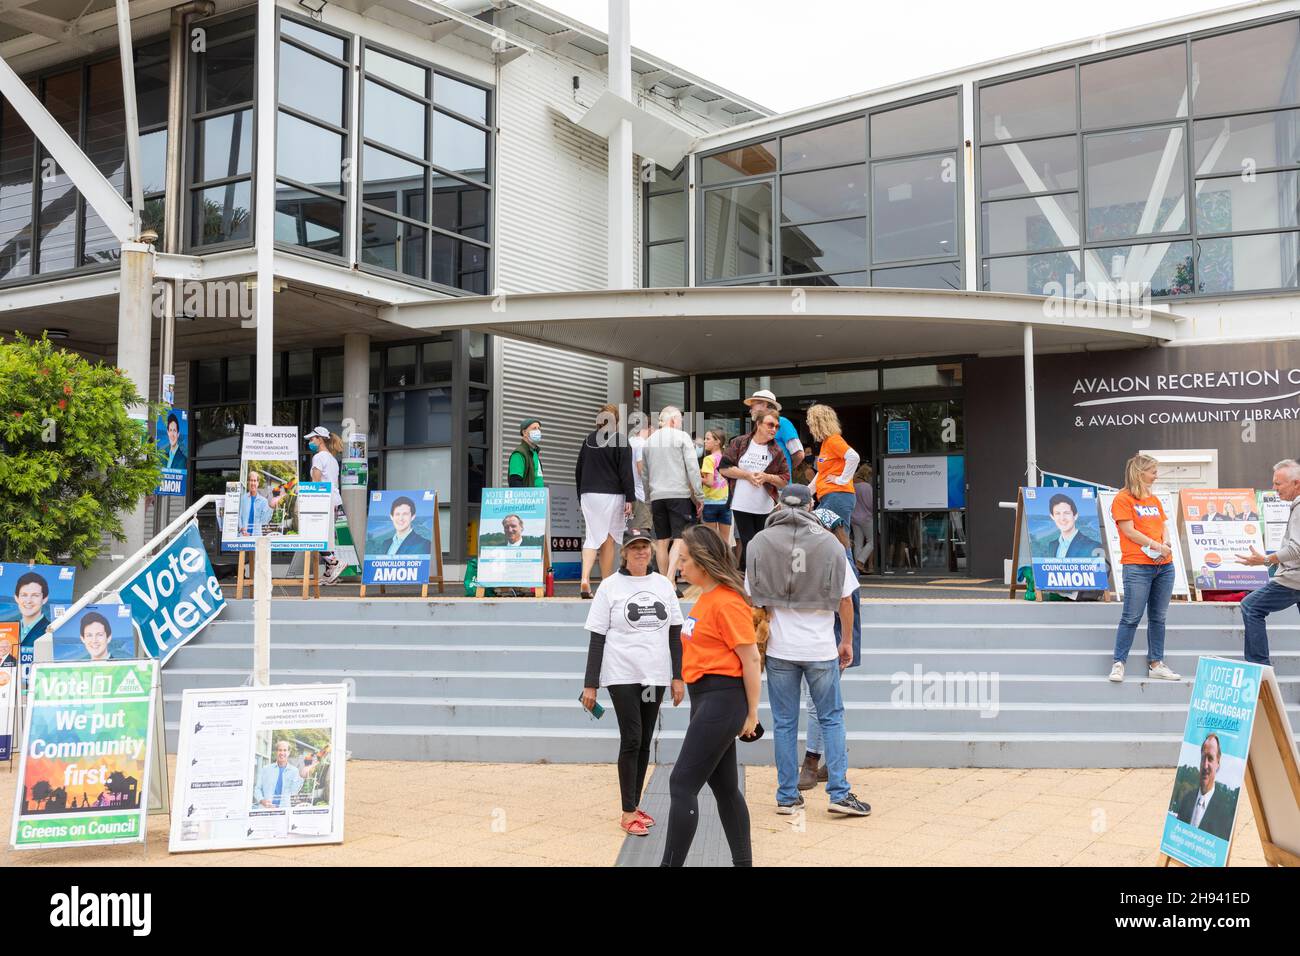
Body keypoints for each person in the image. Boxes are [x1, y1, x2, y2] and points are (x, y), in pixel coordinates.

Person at [748, 485, 870, 817]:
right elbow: (846, 600)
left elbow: (753, 599)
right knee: (832, 718)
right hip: (819, 646)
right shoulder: (830, 543)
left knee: (785, 722)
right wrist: (846, 641)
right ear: (811, 504)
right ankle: (839, 793)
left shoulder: (759, 543)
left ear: (779, 504)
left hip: (779, 648)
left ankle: (787, 795)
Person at [660, 525, 761, 867]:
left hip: (723, 699)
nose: (680, 566)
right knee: (725, 788)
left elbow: (752, 658)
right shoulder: (706, 597)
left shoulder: (728, 603)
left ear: (703, 563)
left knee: (681, 784)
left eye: (685, 560)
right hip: (706, 699)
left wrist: (752, 714)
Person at [581, 528, 685, 836]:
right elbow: (597, 637)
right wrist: (591, 683)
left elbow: (675, 635)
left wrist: (678, 676)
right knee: (631, 737)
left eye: (645, 547)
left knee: (644, 740)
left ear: (652, 551)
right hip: (622, 674)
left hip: (654, 675)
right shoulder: (610, 587)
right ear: (624, 553)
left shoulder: (663, 585)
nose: (640, 552)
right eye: (634, 547)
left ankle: (634, 803)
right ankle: (627, 813)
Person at [799, 505, 863, 789]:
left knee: (818, 703)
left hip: (831, 641)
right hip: (820, 639)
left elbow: (848, 606)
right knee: (826, 703)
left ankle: (812, 762)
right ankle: (834, 762)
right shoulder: (828, 557)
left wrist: (844, 642)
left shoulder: (838, 561)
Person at [1109, 455, 1181, 683]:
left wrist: (1166, 544)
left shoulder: (1153, 499)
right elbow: (1129, 531)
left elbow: (1163, 526)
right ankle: (1119, 663)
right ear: (1140, 473)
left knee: (1158, 617)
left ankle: (1156, 663)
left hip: (1164, 566)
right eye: (1152, 471)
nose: (1156, 475)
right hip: (1137, 565)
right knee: (1131, 616)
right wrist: (1156, 545)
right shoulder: (1123, 499)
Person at [1234, 459, 1300, 665]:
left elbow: (1296, 548)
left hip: (1293, 579)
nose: (1274, 488)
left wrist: (1265, 560)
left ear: (1296, 483)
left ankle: (1260, 668)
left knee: (1250, 606)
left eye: (1278, 484)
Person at [575, 404, 635, 598]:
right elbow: (626, 473)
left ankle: (585, 578)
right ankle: (606, 585)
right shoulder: (620, 440)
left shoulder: (588, 440)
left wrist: (581, 495)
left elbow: (578, 470)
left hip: (588, 494)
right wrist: (630, 497)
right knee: (608, 539)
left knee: (592, 536)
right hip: (611, 494)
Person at [642, 406, 703, 592]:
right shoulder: (681, 437)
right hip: (679, 494)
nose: (681, 425)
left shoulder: (649, 441)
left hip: (657, 496)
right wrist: (699, 496)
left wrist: (647, 498)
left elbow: (645, 474)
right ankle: (669, 579)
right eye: (681, 422)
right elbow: (692, 468)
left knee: (662, 540)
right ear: (674, 421)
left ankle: (664, 583)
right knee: (679, 538)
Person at [719, 411, 790, 563]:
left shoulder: (776, 451)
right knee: (748, 543)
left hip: (765, 506)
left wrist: (767, 477)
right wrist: (747, 475)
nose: (774, 429)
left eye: (777, 427)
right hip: (741, 503)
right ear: (758, 424)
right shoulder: (740, 442)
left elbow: (785, 479)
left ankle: (756, 579)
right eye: (770, 425)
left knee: (762, 545)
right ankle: (750, 580)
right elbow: (723, 468)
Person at [1174, 734, 1235, 840]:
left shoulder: (1225, 815)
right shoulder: (1186, 800)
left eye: (1210, 758)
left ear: (1218, 764)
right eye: (1203, 758)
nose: (1205, 765)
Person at [806, 404, 860, 525]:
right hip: (831, 497)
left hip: (837, 496)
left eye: (810, 423)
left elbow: (854, 457)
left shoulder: (833, 440)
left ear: (817, 423)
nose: (809, 428)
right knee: (827, 536)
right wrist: (805, 492)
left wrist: (841, 480)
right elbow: (823, 473)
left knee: (831, 536)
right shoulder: (827, 443)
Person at [307, 426, 346, 584]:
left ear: (320, 439)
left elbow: (315, 482)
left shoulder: (319, 457)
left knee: (317, 536)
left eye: (312, 439)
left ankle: (335, 563)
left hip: (323, 500)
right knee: (329, 538)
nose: (310, 442)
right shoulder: (332, 458)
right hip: (335, 500)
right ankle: (331, 574)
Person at [742, 388, 805, 475]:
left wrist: (784, 470)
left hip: (779, 485)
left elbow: (799, 455)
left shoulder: (782, 422)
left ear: (764, 405)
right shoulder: (758, 426)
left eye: (752, 406)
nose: (750, 410)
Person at [1034, 493, 1103, 559]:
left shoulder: (1093, 546)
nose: (1062, 518)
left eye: (1066, 513)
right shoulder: (1052, 545)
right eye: (1057, 513)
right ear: (1052, 517)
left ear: (1075, 516)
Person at [253, 740, 312, 809]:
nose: (282, 753)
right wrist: (262, 801)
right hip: (265, 810)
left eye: (285, 750)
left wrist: (302, 776)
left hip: (284, 811)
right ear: (276, 752)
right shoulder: (265, 769)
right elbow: (257, 789)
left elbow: (294, 791)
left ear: (289, 753)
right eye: (279, 750)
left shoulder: (294, 771)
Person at [698, 429, 732, 547]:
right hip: (726, 502)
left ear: (717, 442)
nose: (704, 441)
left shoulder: (708, 459)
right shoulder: (726, 458)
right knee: (725, 542)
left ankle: (713, 565)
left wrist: (697, 476)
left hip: (711, 502)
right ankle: (726, 565)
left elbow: (709, 482)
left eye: (708, 439)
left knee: (711, 542)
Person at [627, 413, 654, 533]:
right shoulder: (642, 444)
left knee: (630, 534)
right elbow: (641, 470)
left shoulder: (629, 442)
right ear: (649, 428)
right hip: (640, 496)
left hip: (629, 495)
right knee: (642, 533)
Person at [13, 572, 51, 647]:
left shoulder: (49, 629)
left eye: (35, 595)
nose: (28, 601)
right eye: (24, 595)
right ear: (16, 598)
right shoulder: (9, 628)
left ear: (44, 599)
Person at [851, 463, 875, 573]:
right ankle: (860, 561)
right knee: (872, 541)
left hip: (854, 517)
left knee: (858, 542)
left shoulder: (852, 485)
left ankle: (857, 565)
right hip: (866, 517)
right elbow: (870, 504)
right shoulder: (866, 487)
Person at [508, 419, 544, 488]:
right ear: (524, 432)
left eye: (539, 428)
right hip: (528, 498)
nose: (538, 431)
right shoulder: (519, 454)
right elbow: (515, 481)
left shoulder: (534, 452)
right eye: (534, 428)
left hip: (538, 497)